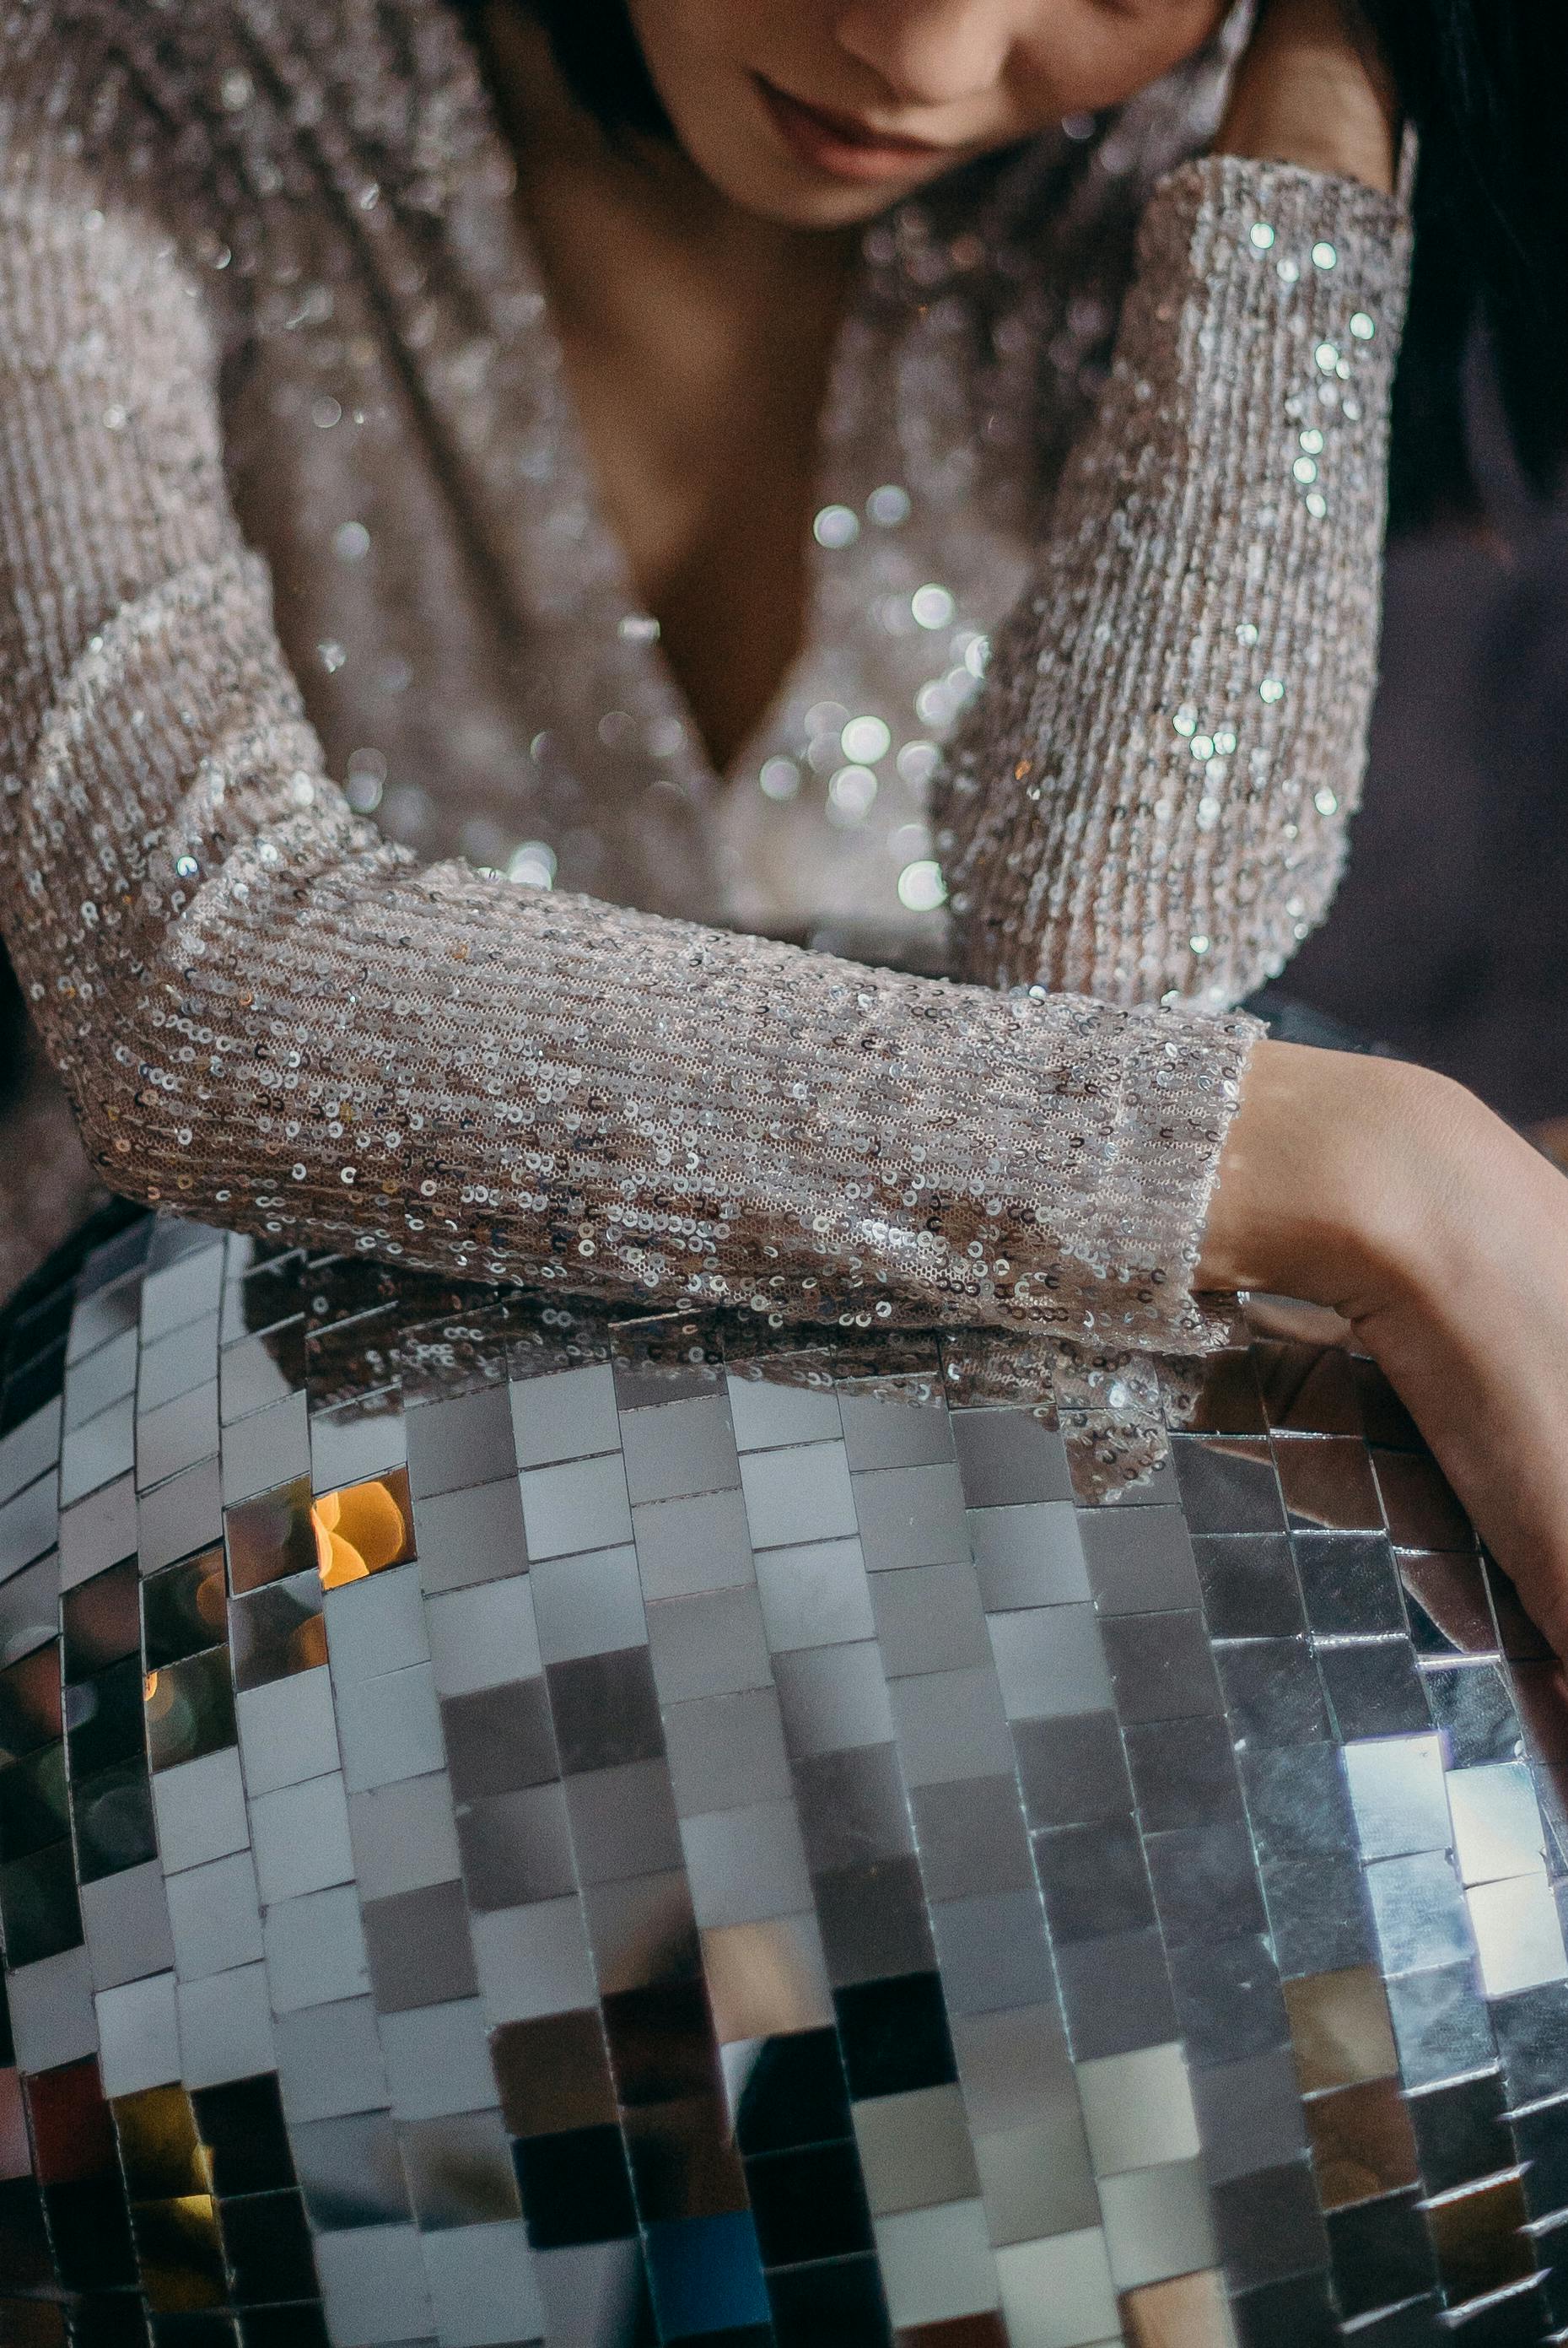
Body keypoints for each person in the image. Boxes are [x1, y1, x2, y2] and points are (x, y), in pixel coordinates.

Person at [0, 0, 1563, 1646]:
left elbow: (1119, 943)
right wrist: (1363, 1160)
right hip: (162, 1461)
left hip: (840, 1557)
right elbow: (194, 983)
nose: (926, 53)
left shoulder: (1164, 150)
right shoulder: (133, 68)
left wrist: (1337, 76)